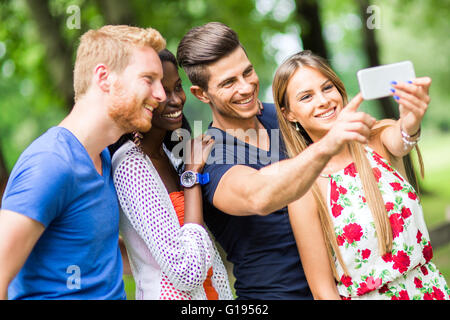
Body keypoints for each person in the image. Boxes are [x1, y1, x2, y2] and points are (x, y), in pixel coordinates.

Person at [176, 22, 377, 299]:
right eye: (228, 82)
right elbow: (259, 196)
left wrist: (406, 130)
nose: (246, 88)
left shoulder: (285, 117)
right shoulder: (209, 155)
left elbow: (365, 141)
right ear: (201, 94)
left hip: (348, 288)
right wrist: (324, 148)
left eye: (247, 72)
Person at [0, 25, 167, 299]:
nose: (161, 95)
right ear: (104, 77)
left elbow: (86, 254)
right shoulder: (51, 163)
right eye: (149, 79)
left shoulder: (103, 157)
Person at [273, 50, 449, 300]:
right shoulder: (304, 187)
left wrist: (411, 122)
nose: (323, 100)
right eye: (306, 97)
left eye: (327, 88)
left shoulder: (376, 138)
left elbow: (402, 139)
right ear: (289, 114)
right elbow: (323, 291)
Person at [110, 49, 233, 300]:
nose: (176, 99)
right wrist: (191, 176)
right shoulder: (130, 166)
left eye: (177, 87)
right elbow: (186, 273)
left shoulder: (170, 152)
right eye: (163, 92)